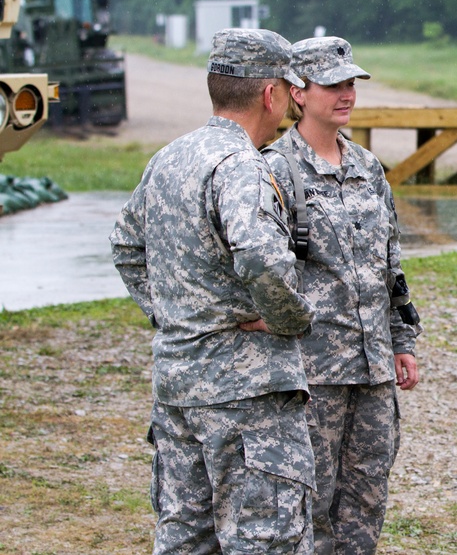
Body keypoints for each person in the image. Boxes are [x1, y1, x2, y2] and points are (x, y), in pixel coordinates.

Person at [110, 28, 317, 554]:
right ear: (270, 94)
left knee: (185, 537)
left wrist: (178, 314)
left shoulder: (170, 158)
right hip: (245, 396)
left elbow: (125, 245)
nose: (293, 103)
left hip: (179, 386)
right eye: (289, 91)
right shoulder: (243, 165)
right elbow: (260, 257)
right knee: (264, 540)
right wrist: (290, 319)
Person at [263, 35, 422, 555]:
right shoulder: (273, 170)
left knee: (365, 501)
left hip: (372, 370)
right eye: (333, 84)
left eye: (351, 82)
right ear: (298, 93)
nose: (346, 94)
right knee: (309, 503)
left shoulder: (368, 168)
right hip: (312, 371)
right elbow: (258, 267)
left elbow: (390, 266)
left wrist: (403, 340)